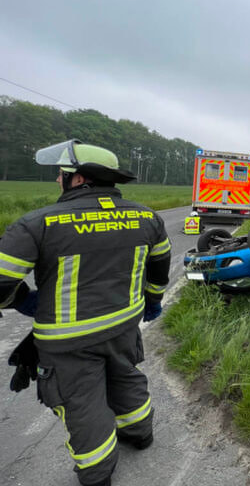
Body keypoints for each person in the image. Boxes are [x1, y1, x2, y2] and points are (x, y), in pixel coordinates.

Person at [0, 140, 171, 486]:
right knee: (125, 377)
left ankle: (96, 472)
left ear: (78, 179)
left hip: (68, 341)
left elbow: (1, 282)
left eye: (61, 174)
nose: (57, 180)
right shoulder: (146, 217)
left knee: (81, 401)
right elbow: (160, 267)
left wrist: (23, 301)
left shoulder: (38, 224)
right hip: (124, 326)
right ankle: (140, 433)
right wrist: (153, 301)